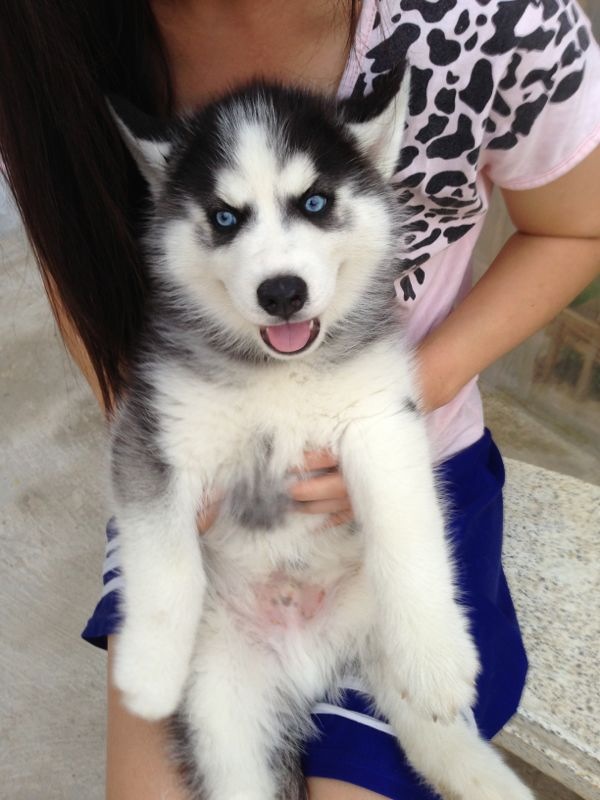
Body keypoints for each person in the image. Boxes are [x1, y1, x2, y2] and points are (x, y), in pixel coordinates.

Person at [1, 1, 599, 798]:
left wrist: (413, 388)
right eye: (229, 219)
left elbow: (578, 225)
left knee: (414, 699)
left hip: (415, 465)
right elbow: (70, 264)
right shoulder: (51, 41)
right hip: (222, 517)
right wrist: (166, 473)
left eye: (312, 204)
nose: (277, 271)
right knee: (212, 737)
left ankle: (443, 745)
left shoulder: (492, 21)